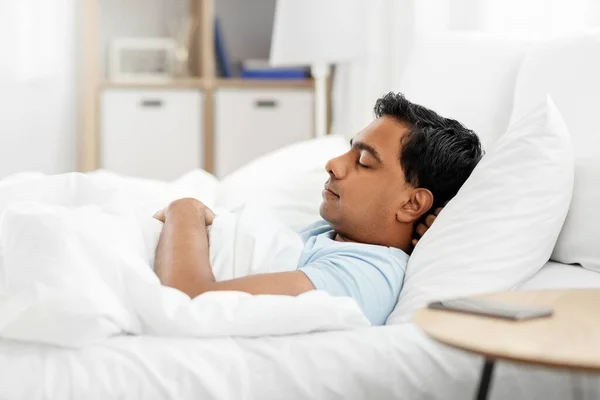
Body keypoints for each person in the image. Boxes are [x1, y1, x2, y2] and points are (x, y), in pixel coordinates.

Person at [153, 92, 483, 325]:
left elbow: (191, 299)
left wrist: (185, 208)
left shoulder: (366, 274)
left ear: (412, 203)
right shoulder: (335, 234)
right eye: (348, 150)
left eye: (364, 161)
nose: (333, 165)